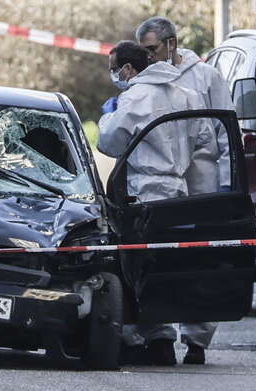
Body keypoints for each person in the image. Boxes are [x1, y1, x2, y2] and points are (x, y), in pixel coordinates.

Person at [98, 41, 216, 365]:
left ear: (127, 69)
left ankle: (159, 340)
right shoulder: (186, 93)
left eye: (114, 67)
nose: (114, 74)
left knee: (143, 269)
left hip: (145, 194)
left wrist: (109, 118)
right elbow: (207, 138)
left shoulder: (136, 96)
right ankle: (192, 342)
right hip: (181, 192)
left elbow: (108, 143)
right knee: (174, 268)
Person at [135, 16, 236, 365]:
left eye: (153, 49)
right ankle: (159, 336)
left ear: (172, 44)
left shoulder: (206, 77)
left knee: (199, 255)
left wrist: (226, 186)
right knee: (158, 256)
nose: (149, 57)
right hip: (162, 177)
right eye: (144, 52)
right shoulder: (143, 82)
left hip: (201, 176)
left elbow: (225, 130)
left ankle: (197, 340)